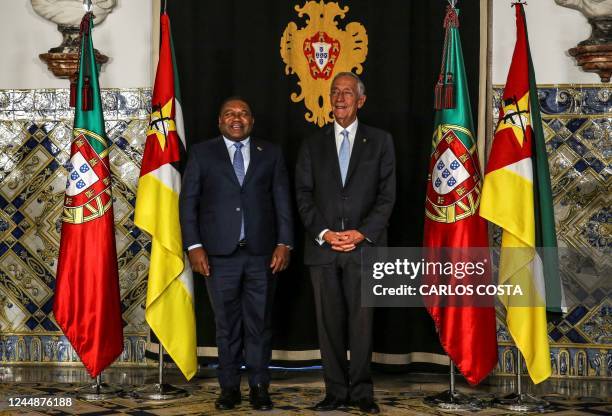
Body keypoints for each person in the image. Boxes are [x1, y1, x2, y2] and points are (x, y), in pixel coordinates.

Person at [179, 97, 293, 411]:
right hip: (217, 256)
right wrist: (194, 246)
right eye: (230, 113)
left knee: (259, 324)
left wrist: (285, 243)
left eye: (243, 113)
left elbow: (283, 202)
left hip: (262, 255)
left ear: (252, 121)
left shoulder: (270, 153)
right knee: (226, 325)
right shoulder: (203, 153)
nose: (237, 118)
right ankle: (228, 388)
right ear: (220, 121)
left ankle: (259, 387)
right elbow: (188, 204)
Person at [295, 72, 396, 414]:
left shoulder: (381, 141)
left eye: (347, 93)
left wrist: (361, 232)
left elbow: (387, 196)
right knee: (328, 325)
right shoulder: (312, 143)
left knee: (363, 325)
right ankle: (335, 392)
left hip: (365, 248)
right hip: (323, 250)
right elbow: (303, 195)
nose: (340, 98)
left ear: (361, 100)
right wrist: (324, 233)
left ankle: (362, 393)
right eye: (335, 92)